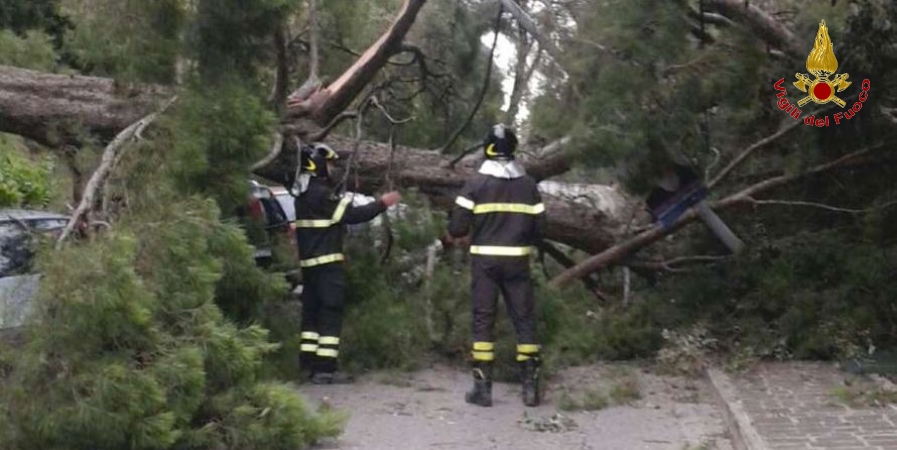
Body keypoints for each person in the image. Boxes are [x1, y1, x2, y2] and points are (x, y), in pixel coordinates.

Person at [446, 124, 546, 407]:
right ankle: (530, 389)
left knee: (483, 320)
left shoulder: (476, 183)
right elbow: (540, 229)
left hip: (485, 262)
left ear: (487, 148)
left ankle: (483, 390)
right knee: (524, 319)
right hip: (518, 261)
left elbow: (456, 227)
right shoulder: (529, 185)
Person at [293, 142, 401, 384]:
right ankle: (325, 370)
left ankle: (307, 365)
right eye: (330, 164)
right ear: (319, 164)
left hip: (309, 268)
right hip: (328, 268)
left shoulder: (301, 195)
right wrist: (383, 202)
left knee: (311, 317)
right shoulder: (323, 194)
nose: (332, 169)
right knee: (330, 314)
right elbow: (353, 215)